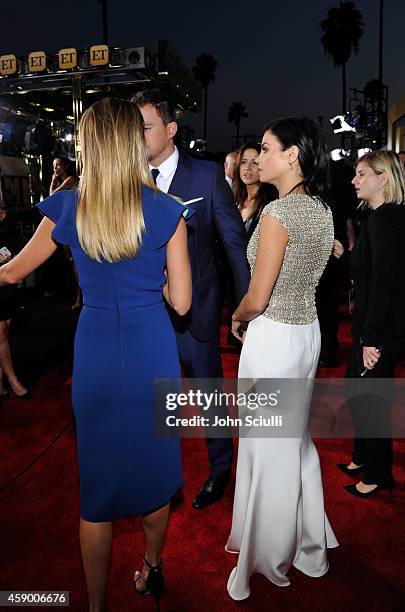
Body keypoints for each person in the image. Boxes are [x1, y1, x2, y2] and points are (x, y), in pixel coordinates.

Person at [0, 97, 192, 611]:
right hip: (152, 349)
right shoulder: (167, 210)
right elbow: (183, 302)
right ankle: (152, 568)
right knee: (156, 475)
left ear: (88, 146)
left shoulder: (68, 206)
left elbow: (13, 273)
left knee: (98, 490)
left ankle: (95, 606)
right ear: (133, 143)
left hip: (96, 355)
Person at [226, 117, 338, 600]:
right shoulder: (320, 209)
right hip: (306, 335)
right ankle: (310, 540)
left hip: (272, 338)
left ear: (293, 155)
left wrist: (236, 315)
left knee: (269, 445)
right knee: (293, 440)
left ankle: (269, 557)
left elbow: (258, 295)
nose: (259, 157)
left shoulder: (278, 215)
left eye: (268, 149)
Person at [132, 89, 250, 509]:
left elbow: (234, 244)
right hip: (144, 312)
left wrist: (246, 305)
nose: (138, 134)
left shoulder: (204, 175)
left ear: (171, 129)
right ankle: (158, 473)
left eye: (144, 126)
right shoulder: (128, 179)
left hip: (197, 310)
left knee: (209, 399)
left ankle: (221, 471)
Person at [338, 150, 405, 499]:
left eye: (362, 173)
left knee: (370, 399)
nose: (354, 180)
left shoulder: (385, 220)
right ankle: (363, 456)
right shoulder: (380, 218)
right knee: (357, 390)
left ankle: (380, 474)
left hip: (379, 328)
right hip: (374, 324)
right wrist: (345, 254)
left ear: (385, 178)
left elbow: (384, 280)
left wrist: (371, 338)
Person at [0, 203, 28, 398]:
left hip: (8, 284)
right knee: (0, 332)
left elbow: (19, 247)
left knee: (4, 332)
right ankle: (13, 379)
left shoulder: (9, 218)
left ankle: (0, 384)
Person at [233, 142, 277, 239]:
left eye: (254, 162)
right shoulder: (234, 201)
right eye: (243, 162)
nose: (247, 168)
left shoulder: (270, 204)